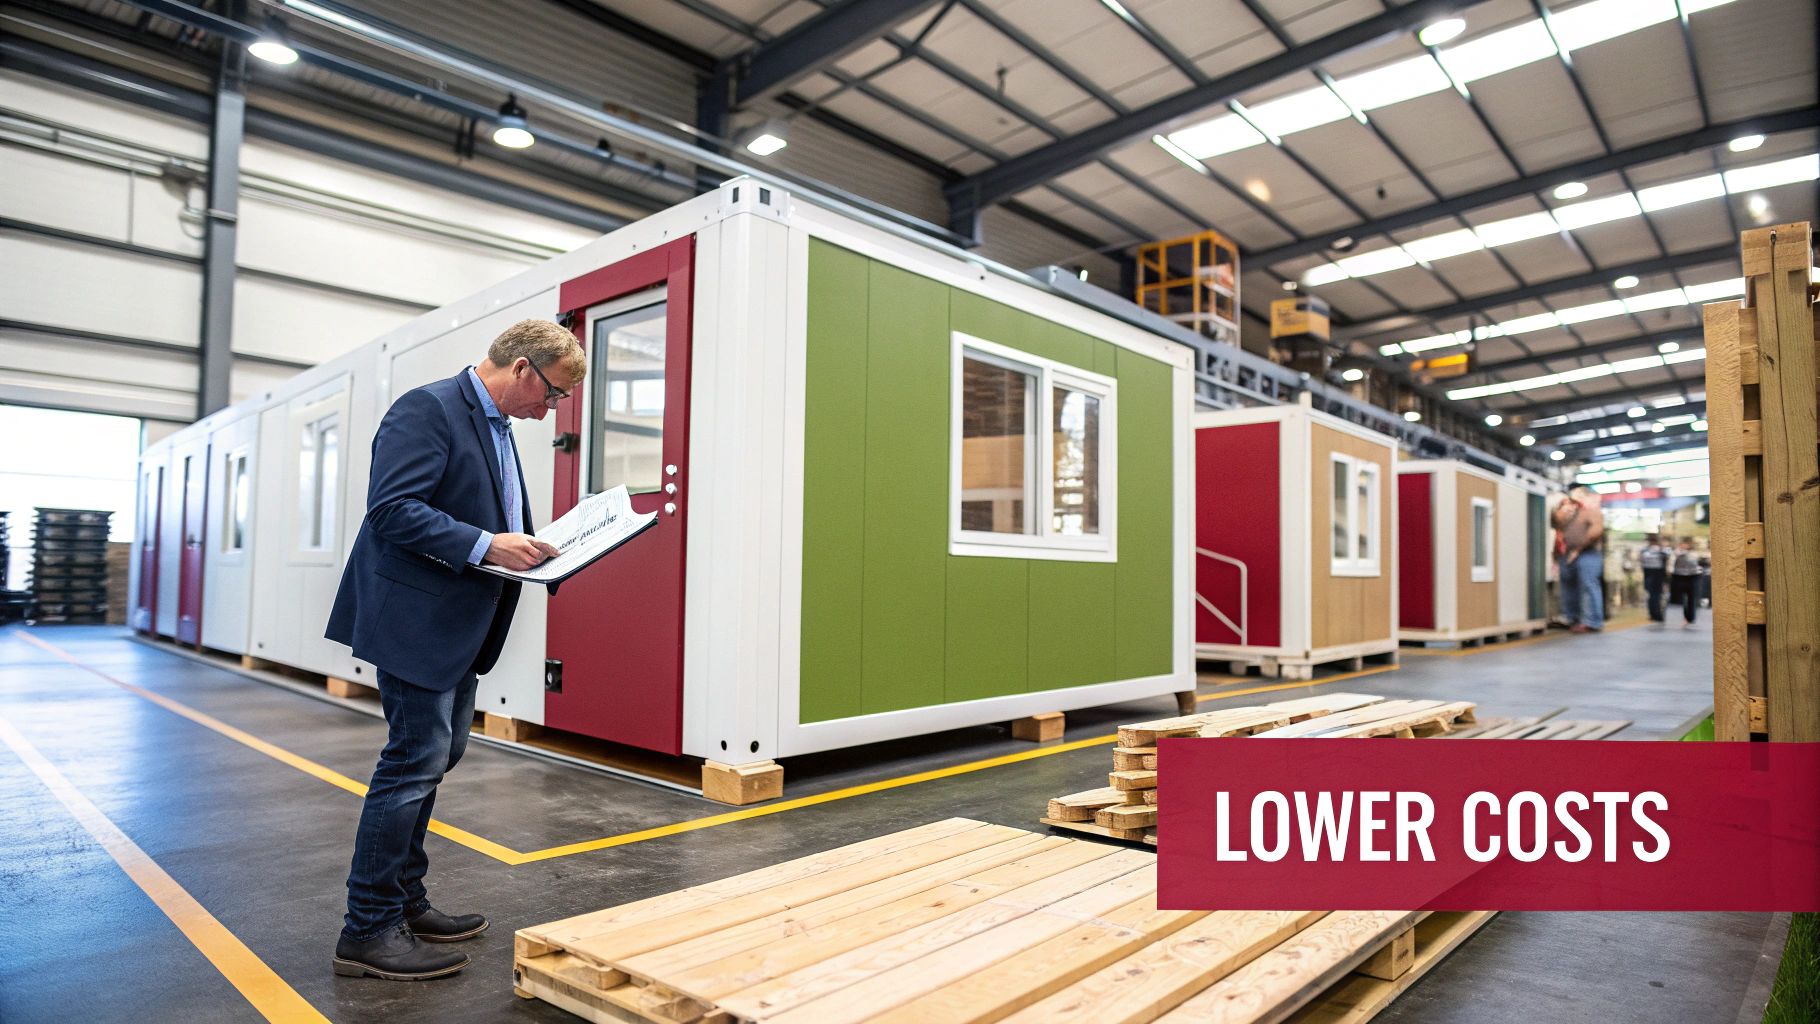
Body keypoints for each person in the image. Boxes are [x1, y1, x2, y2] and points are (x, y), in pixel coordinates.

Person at [324, 320, 584, 981]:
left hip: (457, 623)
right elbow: (391, 510)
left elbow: (480, 509)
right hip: (415, 619)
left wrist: (525, 542)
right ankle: (367, 928)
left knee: (437, 757)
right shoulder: (429, 408)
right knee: (412, 763)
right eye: (550, 395)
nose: (547, 412)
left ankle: (405, 901)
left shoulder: (492, 426)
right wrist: (487, 544)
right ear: (523, 369)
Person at [1551, 486, 1605, 633]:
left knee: (1588, 585)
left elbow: (1596, 532)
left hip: (1587, 553)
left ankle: (1592, 621)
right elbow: (1556, 527)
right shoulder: (1568, 513)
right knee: (1568, 586)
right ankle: (1571, 617)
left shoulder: (1592, 512)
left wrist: (1578, 549)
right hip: (1566, 553)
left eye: (1578, 494)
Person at [1669, 537, 1702, 628]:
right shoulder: (1676, 553)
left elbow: (1698, 564)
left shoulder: (1694, 553)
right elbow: (1671, 564)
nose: (1684, 546)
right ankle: (1686, 617)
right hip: (1679, 577)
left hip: (1693, 577)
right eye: (1682, 544)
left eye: (1686, 544)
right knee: (1683, 598)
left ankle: (1691, 617)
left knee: (1692, 597)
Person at [1639, 533, 1669, 624]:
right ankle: (1657, 614)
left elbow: (1641, 562)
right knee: (1657, 595)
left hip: (1648, 574)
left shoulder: (1644, 551)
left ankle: (1652, 614)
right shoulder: (1662, 551)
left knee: (1651, 595)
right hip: (1658, 575)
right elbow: (1666, 561)